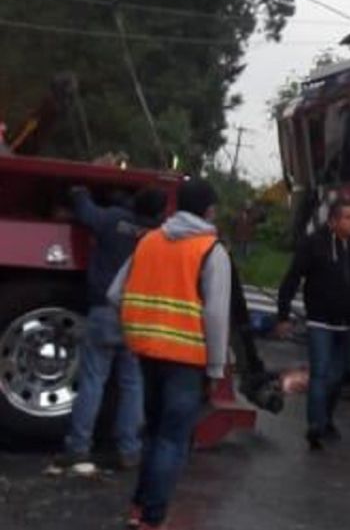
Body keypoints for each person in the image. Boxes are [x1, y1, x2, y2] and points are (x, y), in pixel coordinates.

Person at [108, 179, 231, 530]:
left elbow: (116, 294)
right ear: (209, 210)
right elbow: (216, 314)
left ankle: (139, 506)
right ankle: (153, 518)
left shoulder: (148, 240)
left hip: (146, 352)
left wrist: (142, 324)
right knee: (172, 440)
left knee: (153, 432)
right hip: (187, 359)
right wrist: (216, 367)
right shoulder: (211, 250)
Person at [50, 186, 166, 475]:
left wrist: (79, 193)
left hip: (104, 311)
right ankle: (129, 451)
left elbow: (86, 213)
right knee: (132, 384)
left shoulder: (114, 219)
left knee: (93, 380)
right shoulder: (160, 236)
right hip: (139, 318)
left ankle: (78, 448)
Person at [275, 199, 350, 450]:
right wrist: (282, 315)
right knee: (320, 374)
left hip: (349, 323)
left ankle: (326, 419)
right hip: (320, 322)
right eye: (347, 218)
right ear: (333, 221)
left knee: (338, 377)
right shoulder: (314, 245)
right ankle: (315, 425)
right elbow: (292, 278)